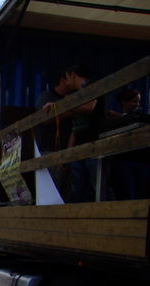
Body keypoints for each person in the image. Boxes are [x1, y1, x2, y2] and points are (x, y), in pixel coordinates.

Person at [35, 65, 97, 201]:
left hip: (70, 153)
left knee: (73, 192)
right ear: (63, 80)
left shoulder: (76, 97)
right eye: (67, 78)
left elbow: (85, 113)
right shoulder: (46, 97)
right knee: (53, 193)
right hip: (51, 152)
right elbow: (46, 119)